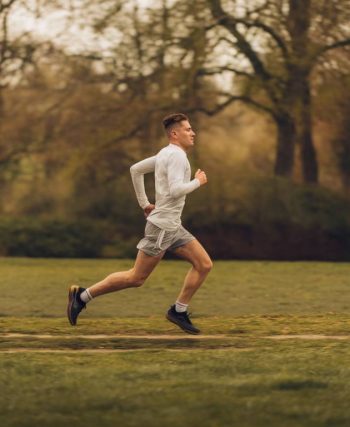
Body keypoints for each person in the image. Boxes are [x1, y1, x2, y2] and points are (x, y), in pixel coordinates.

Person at [67, 113, 213, 334]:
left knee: (204, 264)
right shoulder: (177, 157)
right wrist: (197, 182)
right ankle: (82, 296)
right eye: (188, 129)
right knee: (136, 277)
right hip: (163, 228)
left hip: (173, 226)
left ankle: (178, 311)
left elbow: (135, 169)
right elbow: (175, 190)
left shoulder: (165, 153)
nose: (193, 133)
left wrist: (145, 203)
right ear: (175, 133)